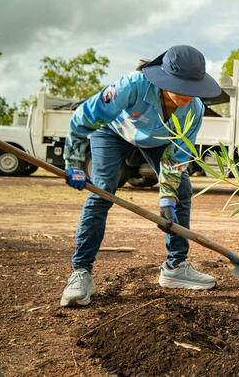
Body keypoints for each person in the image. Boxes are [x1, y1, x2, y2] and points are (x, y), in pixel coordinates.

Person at [59, 45, 222, 307]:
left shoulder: (194, 111)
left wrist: (167, 199)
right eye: (179, 85)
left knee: (182, 191)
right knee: (102, 191)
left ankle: (175, 267)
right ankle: (81, 273)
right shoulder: (131, 86)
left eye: (192, 88)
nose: (186, 94)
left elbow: (177, 156)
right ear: (165, 78)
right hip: (113, 131)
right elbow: (83, 118)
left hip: (157, 141)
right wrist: (74, 162)